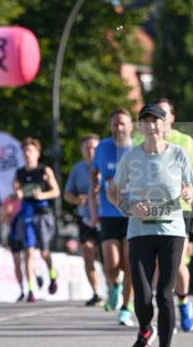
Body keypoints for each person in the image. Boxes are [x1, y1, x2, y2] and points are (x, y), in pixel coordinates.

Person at [109, 104, 193, 347]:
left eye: (156, 120)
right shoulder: (131, 157)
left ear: (164, 124)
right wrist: (127, 207)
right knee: (143, 295)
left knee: (165, 293)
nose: (151, 126)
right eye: (145, 121)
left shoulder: (179, 154)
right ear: (141, 127)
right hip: (140, 231)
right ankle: (146, 330)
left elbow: (191, 189)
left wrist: (189, 195)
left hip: (172, 231)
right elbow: (112, 191)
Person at [134, 99, 193, 332]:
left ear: (171, 117)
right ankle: (165, 310)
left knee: (177, 262)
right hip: (149, 207)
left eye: (163, 114)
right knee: (154, 262)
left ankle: (182, 302)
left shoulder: (184, 141)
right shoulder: (139, 140)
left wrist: (183, 180)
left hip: (179, 207)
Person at [92, 109, 134, 325]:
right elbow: (94, 172)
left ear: (131, 126)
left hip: (132, 213)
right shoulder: (102, 147)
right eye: (115, 124)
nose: (119, 128)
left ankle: (126, 308)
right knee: (111, 263)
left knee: (129, 262)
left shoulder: (139, 148)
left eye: (122, 124)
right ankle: (114, 286)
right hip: (108, 212)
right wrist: (94, 190)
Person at [8, 137, 60, 302]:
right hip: (27, 214)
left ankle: (52, 274)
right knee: (29, 251)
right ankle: (30, 290)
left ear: (37, 153)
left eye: (30, 150)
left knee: (44, 252)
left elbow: (56, 192)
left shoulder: (45, 171)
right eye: (24, 151)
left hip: (43, 214)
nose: (27, 154)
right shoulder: (19, 173)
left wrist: (42, 195)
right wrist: (17, 193)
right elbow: (15, 189)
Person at [64, 134, 104, 306]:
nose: (90, 151)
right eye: (87, 148)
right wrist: (76, 199)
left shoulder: (107, 165)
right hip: (85, 217)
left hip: (107, 216)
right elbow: (67, 194)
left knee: (109, 257)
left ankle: (114, 287)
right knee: (87, 252)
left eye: (94, 147)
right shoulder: (77, 169)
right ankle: (96, 292)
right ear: (82, 150)